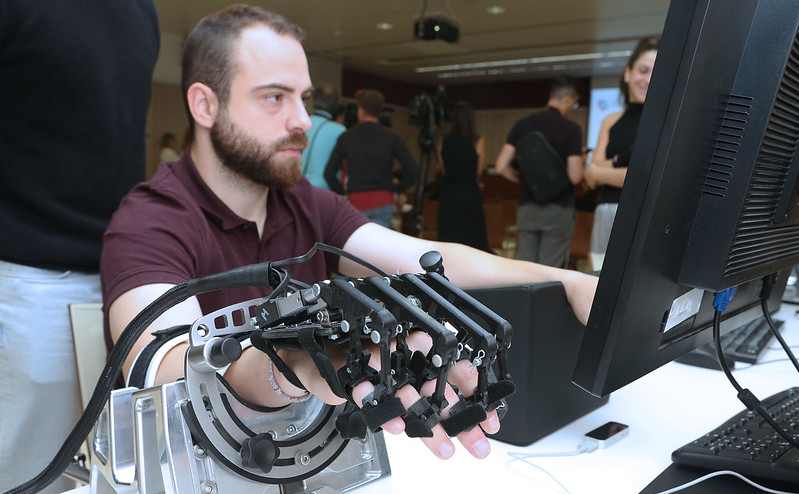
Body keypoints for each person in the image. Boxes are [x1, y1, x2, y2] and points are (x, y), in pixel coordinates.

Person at [101, 4, 597, 463]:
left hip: (314, 462)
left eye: (304, 98)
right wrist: (293, 364)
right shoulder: (152, 217)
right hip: (202, 471)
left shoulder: (308, 205)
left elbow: (429, 260)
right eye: (275, 97)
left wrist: (566, 279)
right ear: (205, 106)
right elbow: (160, 367)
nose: (301, 120)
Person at [0, 0, 159, 494]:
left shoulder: (140, 10)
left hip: (119, 277)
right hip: (29, 275)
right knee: (23, 487)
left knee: (105, 488)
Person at [585, 37, 659, 270]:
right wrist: (621, 169)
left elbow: (644, 178)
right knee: (597, 279)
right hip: (605, 212)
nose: (647, 80)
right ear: (628, 73)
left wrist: (603, 169)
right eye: (643, 70)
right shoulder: (610, 120)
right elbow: (589, 176)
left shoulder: (659, 122)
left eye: (655, 73)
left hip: (642, 213)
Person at [494, 76, 585, 268]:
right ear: (568, 98)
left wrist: (523, 179)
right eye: (574, 104)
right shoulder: (571, 129)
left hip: (527, 207)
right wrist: (582, 159)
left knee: (526, 267)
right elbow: (575, 176)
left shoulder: (522, 125)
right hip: (558, 209)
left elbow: (501, 165)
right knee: (549, 270)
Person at [323, 89, 420, 228]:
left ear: (360, 110)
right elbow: (413, 171)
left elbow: (329, 174)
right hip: (383, 200)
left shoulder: (347, 137)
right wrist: (395, 189)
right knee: (378, 247)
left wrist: (343, 195)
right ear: (379, 112)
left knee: (354, 247)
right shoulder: (392, 138)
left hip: (356, 201)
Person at [435, 101, 491, 251]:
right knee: (473, 238)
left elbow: (444, 170)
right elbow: (479, 172)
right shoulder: (478, 141)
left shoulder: (443, 141)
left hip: (449, 193)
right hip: (470, 193)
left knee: (449, 238)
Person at [300, 83, 346, 189]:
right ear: (335, 105)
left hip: (296, 185)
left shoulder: (302, 123)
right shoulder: (339, 130)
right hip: (323, 189)